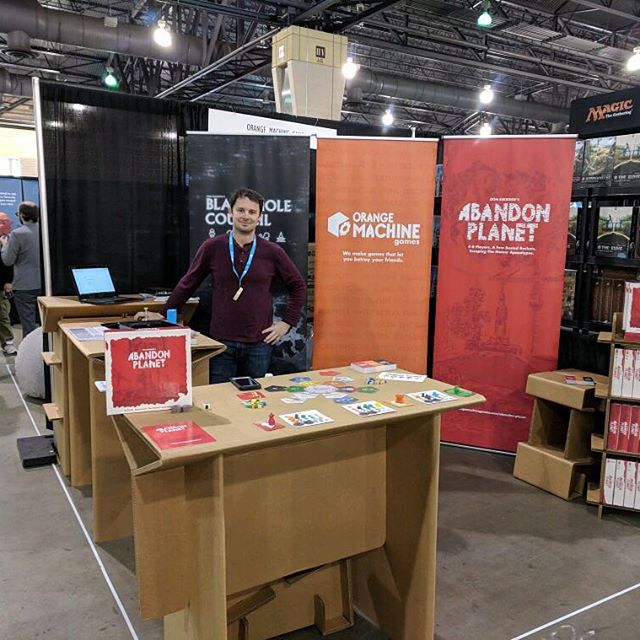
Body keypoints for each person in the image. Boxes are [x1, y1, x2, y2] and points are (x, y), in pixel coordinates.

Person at [140, 188, 306, 383]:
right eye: (240, 210)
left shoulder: (272, 251)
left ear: (259, 217)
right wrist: (163, 313)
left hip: (259, 343)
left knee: (254, 397)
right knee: (219, 396)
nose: (246, 216)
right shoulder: (212, 247)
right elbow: (188, 283)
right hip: (222, 342)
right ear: (230, 212)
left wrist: (287, 323)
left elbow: (298, 285)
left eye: (252, 212)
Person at [0, 201, 42, 338]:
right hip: (44, 284)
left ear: (22, 215)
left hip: (24, 286)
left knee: (28, 324)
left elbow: (8, 260)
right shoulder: (45, 230)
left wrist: (5, 245)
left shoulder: (17, 234)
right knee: (46, 323)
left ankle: (31, 350)